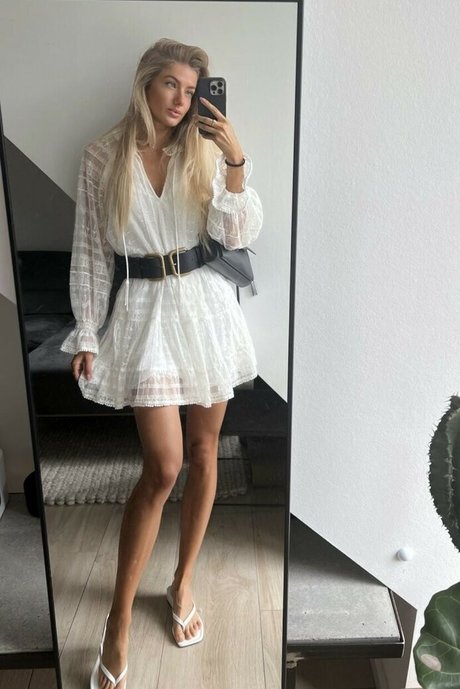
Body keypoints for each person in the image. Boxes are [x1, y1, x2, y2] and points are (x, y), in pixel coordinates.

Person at [61, 38, 263, 689]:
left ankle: (182, 583)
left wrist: (234, 159)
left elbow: (237, 236)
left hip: (206, 308)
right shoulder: (101, 156)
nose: (181, 99)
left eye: (192, 88)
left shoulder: (205, 148)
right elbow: (92, 252)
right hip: (144, 311)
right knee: (163, 466)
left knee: (204, 453)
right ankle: (118, 619)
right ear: (146, 82)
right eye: (171, 84)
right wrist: (87, 331)